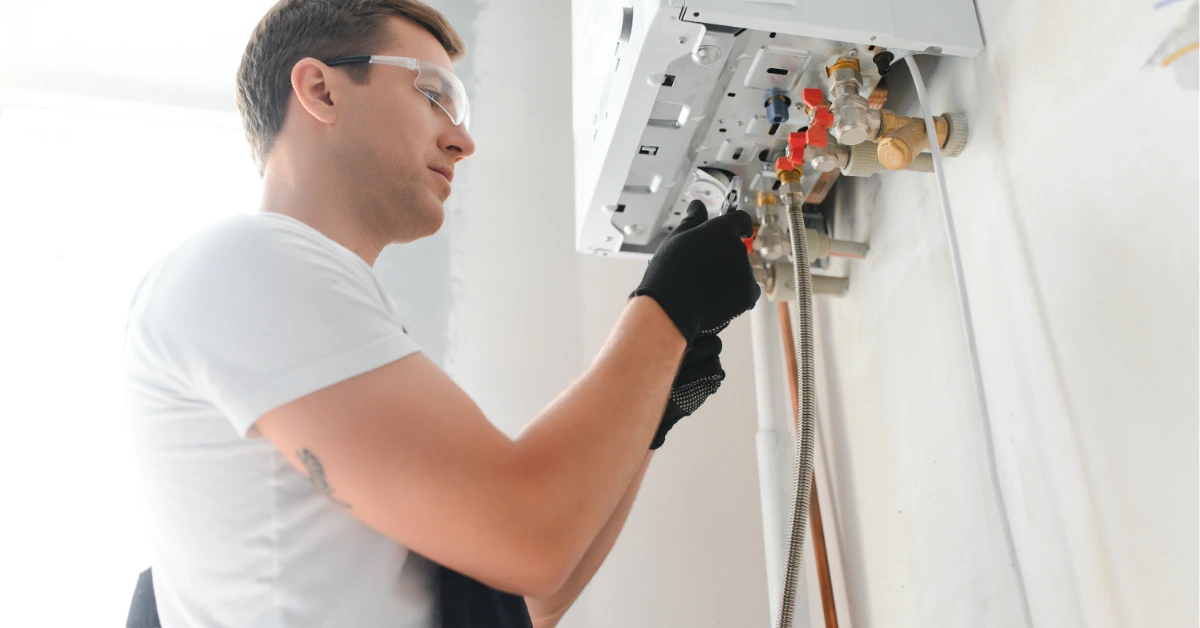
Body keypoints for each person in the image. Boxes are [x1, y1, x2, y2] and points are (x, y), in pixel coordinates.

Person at [122, 1, 760, 626]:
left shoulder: (318, 309)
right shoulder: (248, 262)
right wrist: (669, 306)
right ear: (321, 90)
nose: (463, 140)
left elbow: (529, 597)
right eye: (433, 94)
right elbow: (528, 540)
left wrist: (652, 406)